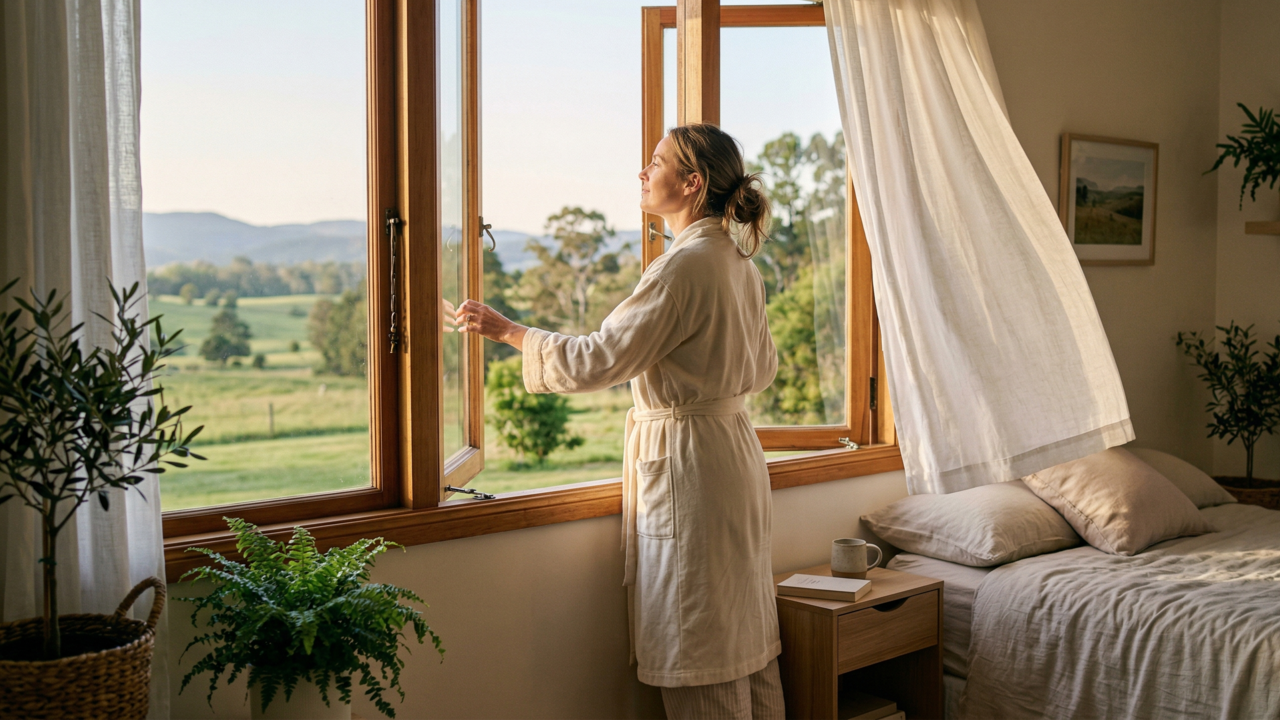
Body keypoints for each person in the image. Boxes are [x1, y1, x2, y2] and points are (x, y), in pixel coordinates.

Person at [455, 123, 782, 720]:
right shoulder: (738, 263)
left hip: (692, 470)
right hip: (733, 455)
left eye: (656, 161)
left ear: (692, 182)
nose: (642, 171)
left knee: (698, 644)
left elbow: (600, 359)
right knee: (738, 636)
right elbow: (762, 370)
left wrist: (510, 332)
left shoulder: (683, 267)